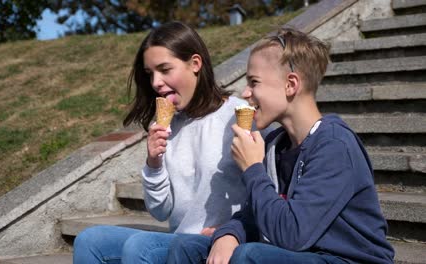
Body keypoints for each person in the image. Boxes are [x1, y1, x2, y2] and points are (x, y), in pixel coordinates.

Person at [167, 28, 395, 264]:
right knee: (188, 247)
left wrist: (252, 168)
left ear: (290, 85)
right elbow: (253, 214)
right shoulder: (276, 143)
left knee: (249, 257)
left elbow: (291, 234)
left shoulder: (334, 145)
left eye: (253, 82)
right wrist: (229, 233)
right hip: (304, 255)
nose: (245, 93)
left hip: (346, 259)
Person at [73, 21, 251, 264]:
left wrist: (232, 230)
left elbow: (270, 188)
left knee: (141, 246)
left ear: (195, 64)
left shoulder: (239, 114)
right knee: (89, 239)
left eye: (165, 69)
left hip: (220, 241)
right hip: (178, 240)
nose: (156, 82)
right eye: (150, 74)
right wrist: (154, 164)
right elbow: (160, 212)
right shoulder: (168, 125)